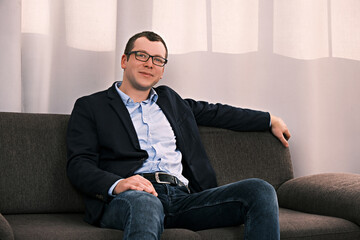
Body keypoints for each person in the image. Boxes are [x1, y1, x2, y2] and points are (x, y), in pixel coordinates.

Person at [66, 31, 291, 240]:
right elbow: (78, 164)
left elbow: (218, 113)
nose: (149, 64)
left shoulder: (172, 102)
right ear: (125, 61)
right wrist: (118, 183)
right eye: (141, 55)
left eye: (157, 60)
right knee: (145, 203)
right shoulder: (91, 106)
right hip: (130, 199)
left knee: (259, 191)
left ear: (162, 70)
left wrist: (269, 119)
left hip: (184, 199)